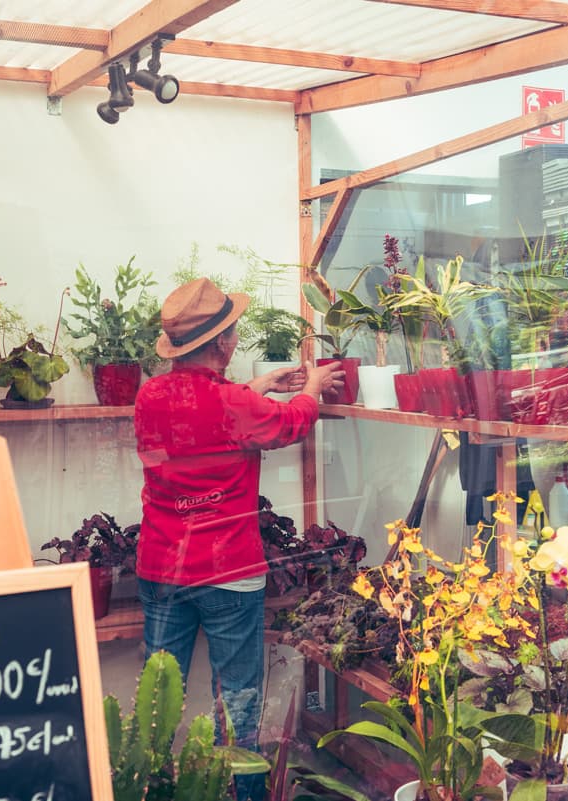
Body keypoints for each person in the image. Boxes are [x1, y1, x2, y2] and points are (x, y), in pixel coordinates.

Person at [133, 277, 343, 801]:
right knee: (238, 700)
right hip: (229, 571)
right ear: (223, 344)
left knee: (158, 700)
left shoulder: (150, 395)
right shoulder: (233, 405)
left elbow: (203, 411)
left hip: (162, 564)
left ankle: (149, 788)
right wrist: (310, 389)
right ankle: (243, 794)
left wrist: (262, 383)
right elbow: (291, 423)